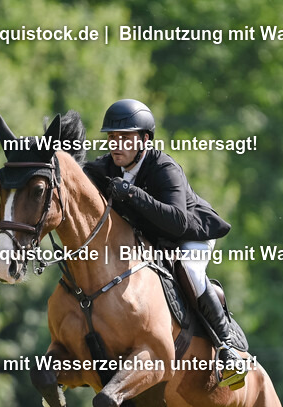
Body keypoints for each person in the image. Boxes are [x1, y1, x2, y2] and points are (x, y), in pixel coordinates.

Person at [83, 99, 245, 387]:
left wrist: (132, 193)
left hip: (191, 235)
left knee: (188, 269)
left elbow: (177, 222)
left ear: (145, 140)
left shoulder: (163, 167)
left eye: (125, 138)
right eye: (112, 137)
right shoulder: (107, 166)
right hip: (153, 239)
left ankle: (226, 346)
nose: (116, 145)